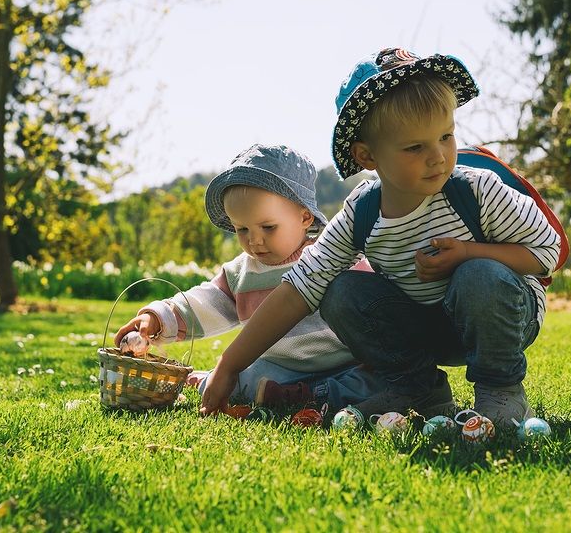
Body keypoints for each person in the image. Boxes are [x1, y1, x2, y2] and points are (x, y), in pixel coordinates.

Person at [200, 48, 561, 425]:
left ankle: (501, 391)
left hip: (503, 317)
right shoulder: (364, 211)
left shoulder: (476, 192)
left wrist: (468, 253)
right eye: (415, 147)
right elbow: (300, 287)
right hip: (426, 326)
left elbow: (546, 251)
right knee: (339, 290)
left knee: (479, 274)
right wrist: (229, 365)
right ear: (368, 156)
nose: (438, 156)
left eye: (445, 136)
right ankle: (418, 388)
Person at [114, 144, 384, 410]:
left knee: (374, 380)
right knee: (242, 379)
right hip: (279, 369)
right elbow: (204, 302)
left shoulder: (332, 256)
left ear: (304, 217)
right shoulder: (241, 274)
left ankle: (302, 395)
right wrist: (158, 317)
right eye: (241, 229)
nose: (254, 241)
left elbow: (371, 301)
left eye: (268, 227)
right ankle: (286, 394)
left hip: (342, 364)